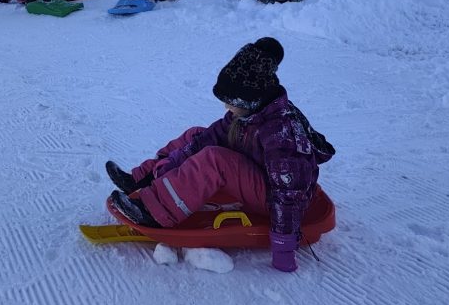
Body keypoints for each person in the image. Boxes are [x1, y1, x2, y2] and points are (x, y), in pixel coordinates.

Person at [105, 37, 335, 273]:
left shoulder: (281, 134)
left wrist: (284, 248)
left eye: (230, 102)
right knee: (196, 135)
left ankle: (154, 212)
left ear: (249, 100)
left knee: (215, 160)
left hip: (275, 197)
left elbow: (288, 194)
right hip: (259, 174)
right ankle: (142, 179)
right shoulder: (248, 113)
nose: (227, 108)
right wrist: (170, 165)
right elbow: (208, 138)